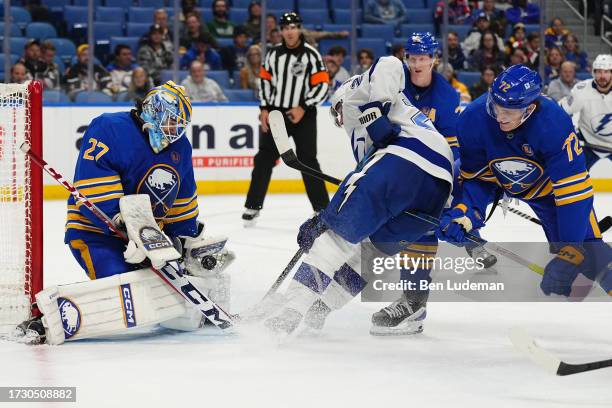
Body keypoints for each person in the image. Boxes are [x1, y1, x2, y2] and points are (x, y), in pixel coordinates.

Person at [14, 81, 232, 344]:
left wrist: (186, 242)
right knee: (130, 292)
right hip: (96, 235)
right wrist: (126, 229)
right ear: (155, 111)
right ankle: (45, 316)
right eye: (172, 122)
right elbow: (94, 188)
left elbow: (182, 201)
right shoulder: (110, 128)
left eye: (179, 126)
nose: (174, 132)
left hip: (150, 242)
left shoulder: (180, 147)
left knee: (165, 288)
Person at [263, 56, 454, 337]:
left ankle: (291, 310)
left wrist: (327, 222)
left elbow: (389, 63)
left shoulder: (354, 96)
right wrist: (330, 216)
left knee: (333, 240)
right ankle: (321, 308)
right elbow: (365, 182)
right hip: (436, 190)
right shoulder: (370, 139)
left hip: (409, 158)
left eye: (336, 113)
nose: (340, 120)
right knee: (367, 252)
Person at [436, 64, 612, 300]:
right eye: (495, 106)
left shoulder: (553, 123)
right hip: (498, 179)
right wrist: (465, 213)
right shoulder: (473, 119)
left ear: (529, 109)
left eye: (508, 111)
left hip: (548, 190)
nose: (499, 116)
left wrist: (570, 251)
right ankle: (472, 239)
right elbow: (478, 179)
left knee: (590, 251)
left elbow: (574, 192)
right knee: (453, 180)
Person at [368, 33, 495, 336]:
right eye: (412, 57)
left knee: (423, 222)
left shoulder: (447, 96)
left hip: (430, 166)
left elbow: (451, 149)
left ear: (435, 59)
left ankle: (415, 303)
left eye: (423, 58)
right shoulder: (396, 83)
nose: (417, 63)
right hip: (397, 162)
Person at [243, 12, 330, 225]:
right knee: (264, 157)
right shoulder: (272, 55)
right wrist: (264, 108)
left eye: (293, 27)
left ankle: (322, 209)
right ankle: (253, 206)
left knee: (308, 160)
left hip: (304, 114)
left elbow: (322, 85)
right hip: (277, 115)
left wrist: (303, 106)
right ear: (281, 31)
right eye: (286, 28)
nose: (290, 31)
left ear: (299, 29)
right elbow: (264, 83)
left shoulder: (311, 55)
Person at [559, 54, 612, 170]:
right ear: (593, 72)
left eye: (607, 72)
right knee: (571, 173)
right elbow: (560, 110)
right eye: (599, 72)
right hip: (588, 142)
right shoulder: (582, 90)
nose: (602, 76)